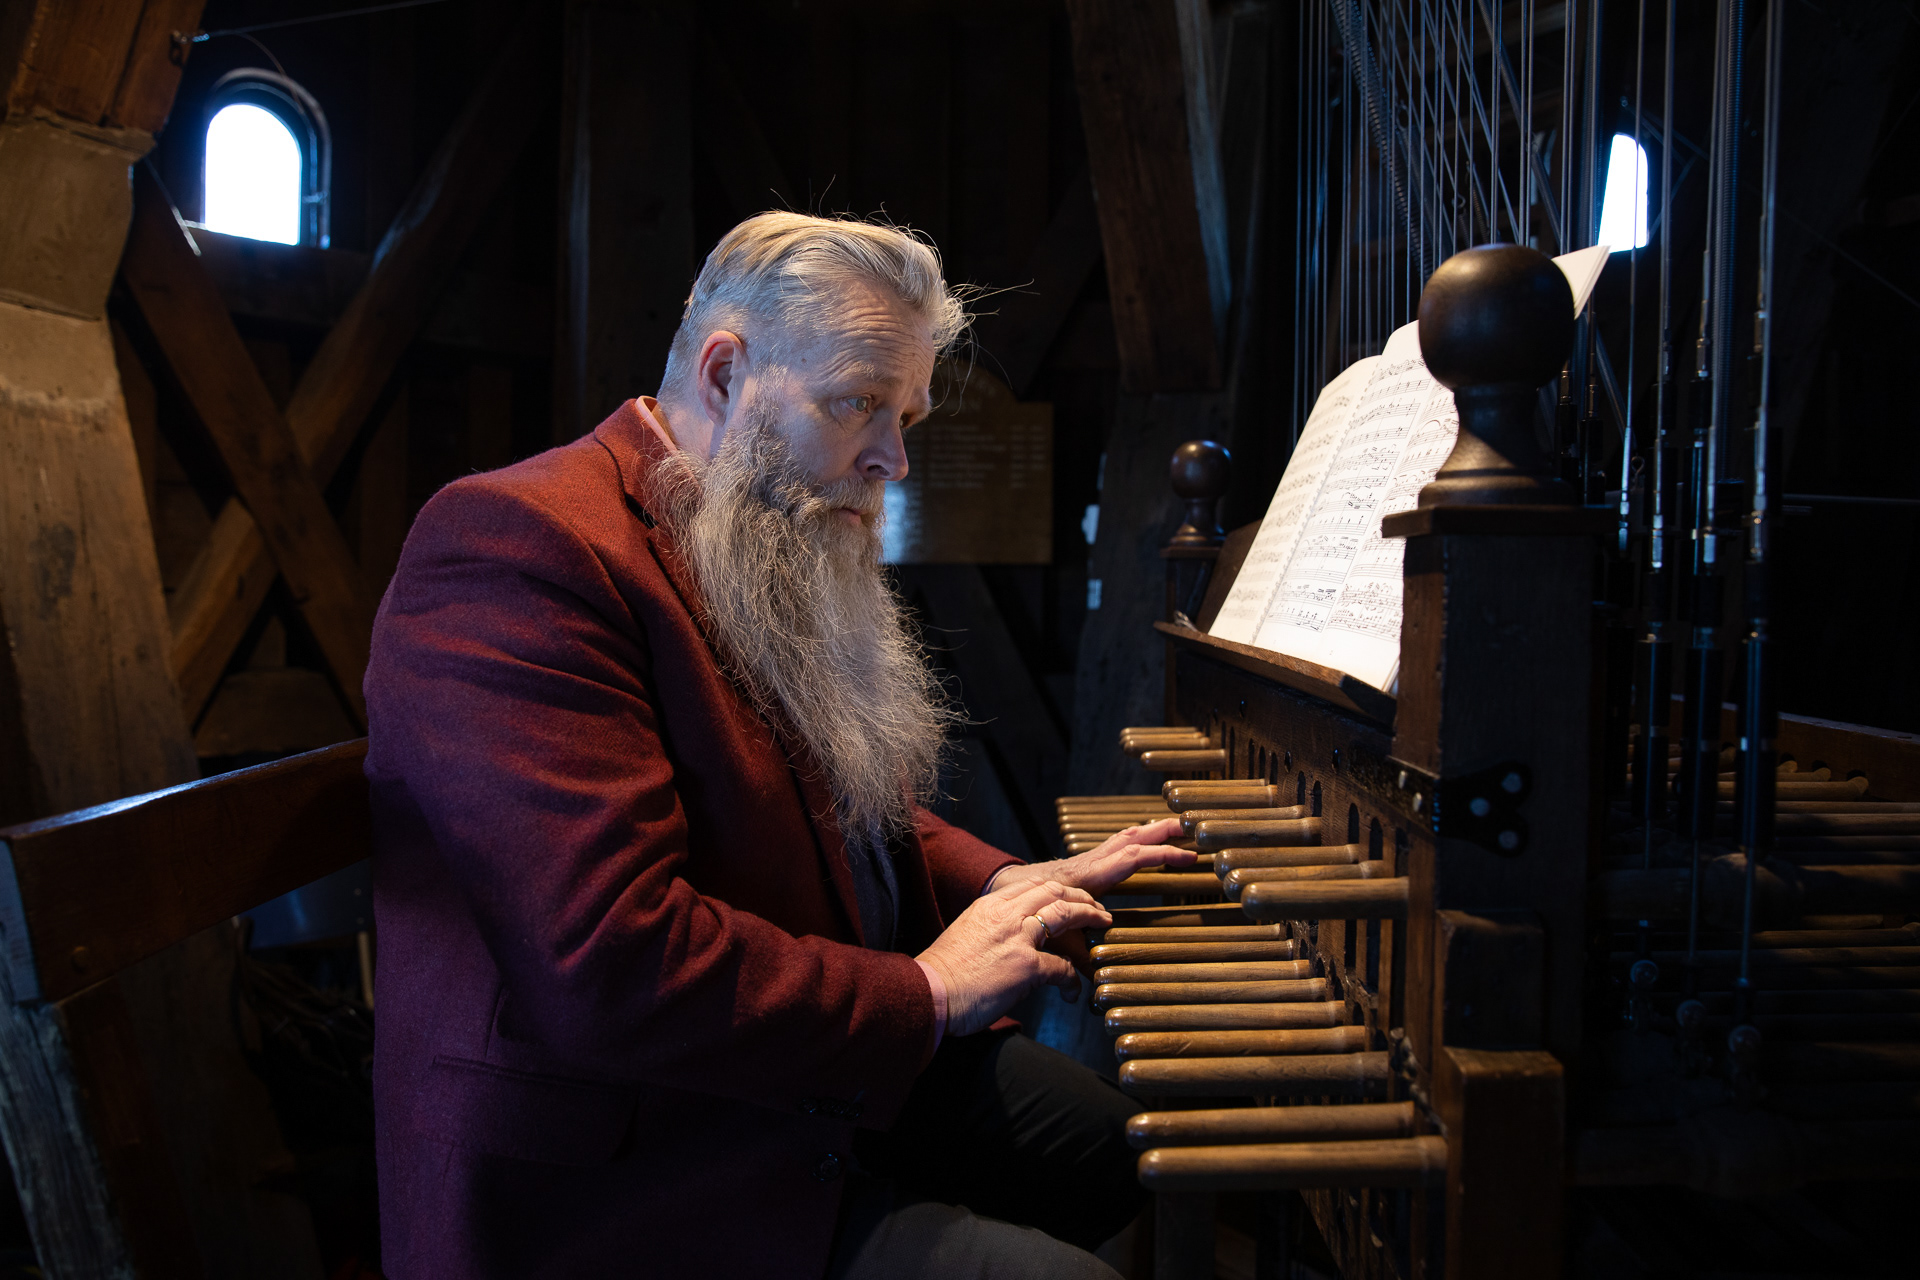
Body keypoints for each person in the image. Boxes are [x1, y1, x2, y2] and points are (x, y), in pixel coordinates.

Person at [364, 212, 1192, 1279]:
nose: (892, 459)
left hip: (773, 1069)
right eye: (858, 404)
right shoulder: (518, 547)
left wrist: (1012, 883)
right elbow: (610, 962)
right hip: (633, 1160)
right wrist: (929, 992)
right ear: (723, 373)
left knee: (1118, 1152)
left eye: (908, 415)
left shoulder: (745, 526)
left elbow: (833, 805)